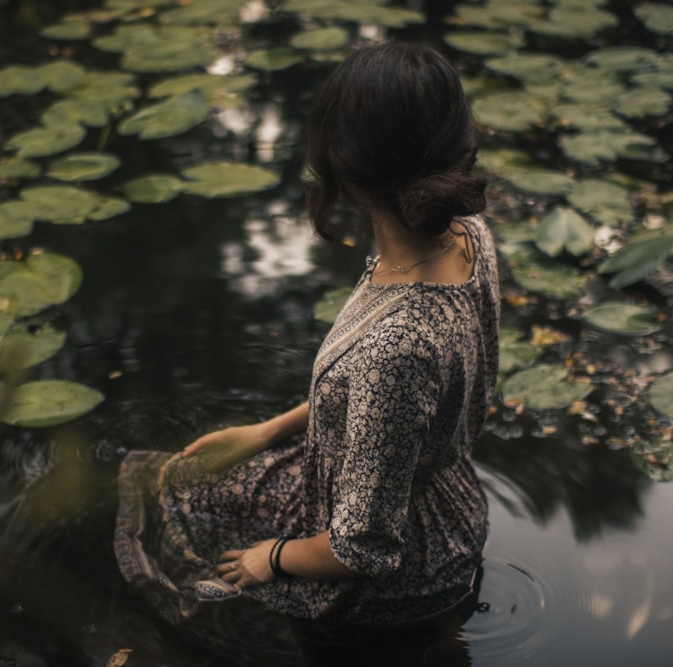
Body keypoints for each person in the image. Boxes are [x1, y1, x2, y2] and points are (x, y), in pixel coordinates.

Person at [114, 41, 499, 640]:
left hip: (398, 569)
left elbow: (362, 549)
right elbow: (395, 410)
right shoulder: (467, 233)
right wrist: (267, 432)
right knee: (186, 476)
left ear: (341, 170)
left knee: (176, 507)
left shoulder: (396, 345)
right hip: (446, 501)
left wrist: (266, 558)